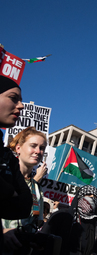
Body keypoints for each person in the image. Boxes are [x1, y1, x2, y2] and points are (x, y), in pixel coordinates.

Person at [0, 76, 33, 253]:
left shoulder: (6, 156)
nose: (21, 106)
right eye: (13, 98)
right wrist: (8, 191)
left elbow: (23, 206)